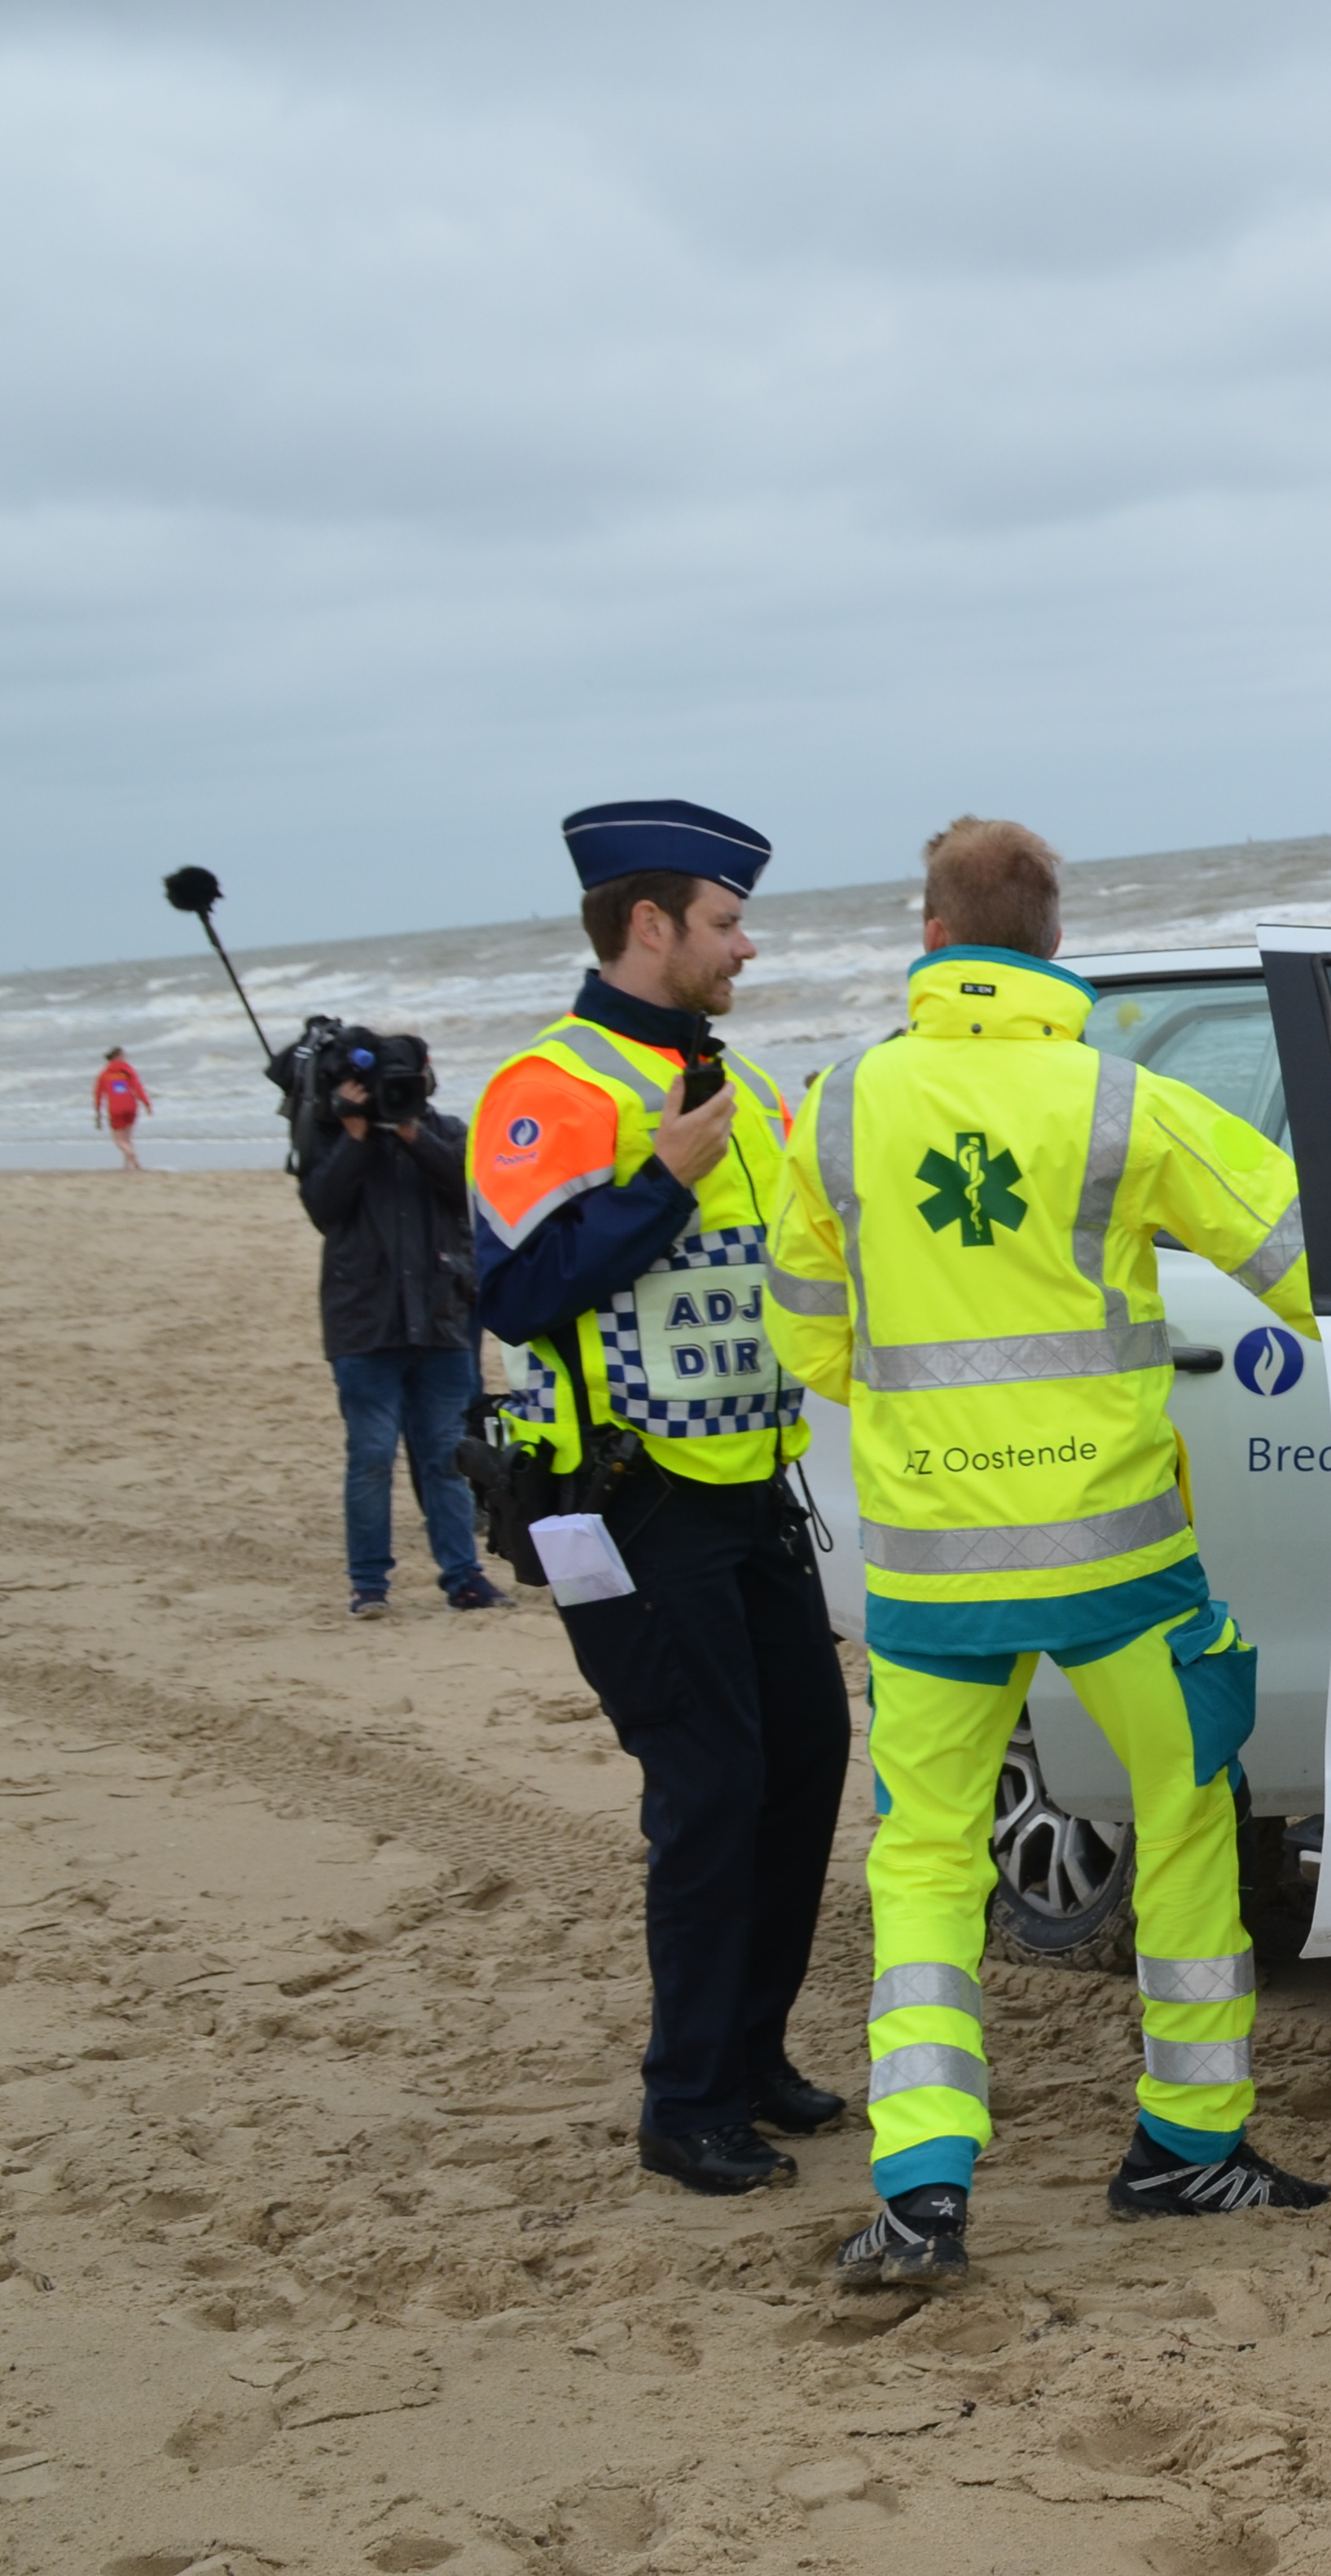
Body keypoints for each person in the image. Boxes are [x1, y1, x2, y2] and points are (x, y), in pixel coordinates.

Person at [771, 815, 1331, 2291]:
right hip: (1118, 1563)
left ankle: (923, 2188)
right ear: (1054, 941)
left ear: (927, 930)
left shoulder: (837, 1106)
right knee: (1190, 1813)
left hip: (934, 1577)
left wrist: (935, 1430)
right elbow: (1311, 1260)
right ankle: (1184, 2141)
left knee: (926, 1866)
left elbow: (809, 1337)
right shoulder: (1121, 1104)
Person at [469, 801, 849, 2201]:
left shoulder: (741, 1082)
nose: (745, 945)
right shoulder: (547, 1087)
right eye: (726, 921)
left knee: (803, 1764)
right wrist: (657, 1184)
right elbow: (512, 1289)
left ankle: (750, 2056)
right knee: (710, 1784)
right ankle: (682, 2100)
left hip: (751, 1488)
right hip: (622, 1502)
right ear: (651, 926)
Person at [297, 1038, 504, 1618]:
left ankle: (464, 1577)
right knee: (369, 1455)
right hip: (364, 1325)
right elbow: (322, 1206)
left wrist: (413, 1133)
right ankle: (369, 1584)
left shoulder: (446, 1131)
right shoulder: (335, 1136)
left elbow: (473, 1193)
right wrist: (356, 1135)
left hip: (441, 1321)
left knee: (445, 1457)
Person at [94, 1047, 152, 1170]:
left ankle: (132, 1156)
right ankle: (127, 1166)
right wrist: (147, 1104)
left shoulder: (104, 1074)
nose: (126, 1058)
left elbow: (98, 1094)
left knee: (119, 1140)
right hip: (131, 1107)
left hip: (116, 1109)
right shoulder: (128, 1071)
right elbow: (138, 1089)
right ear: (117, 1057)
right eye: (124, 1055)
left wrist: (98, 1111)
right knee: (127, 1138)